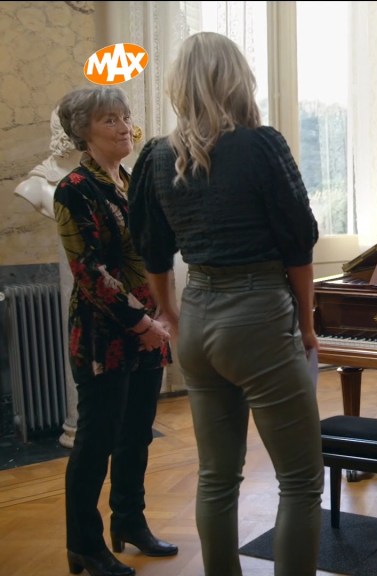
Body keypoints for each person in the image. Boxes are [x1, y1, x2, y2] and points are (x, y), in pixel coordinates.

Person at [127, 32, 324, 576]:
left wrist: (169, 313)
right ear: (237, 79)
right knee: (301, 480)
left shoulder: (156, 155)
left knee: (216, 478)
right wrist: (307, 325)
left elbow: (152, 249)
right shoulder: (261, 145)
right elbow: (298, 243)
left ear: (180, 85)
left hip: (198, 316)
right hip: (259, 314)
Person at [53, 86, 177, 576]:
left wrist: (162, 315)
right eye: (109, 119)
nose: (124, 126)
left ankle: (129, 521)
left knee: (135, 437)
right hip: (103, 336)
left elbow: (155, 251)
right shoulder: (74, 188)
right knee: (96, 443)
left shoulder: (132, 181)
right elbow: (89, 269)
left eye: (125, 116)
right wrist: (142, 322)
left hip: (149, 329)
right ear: (82, 131)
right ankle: (85, 545)